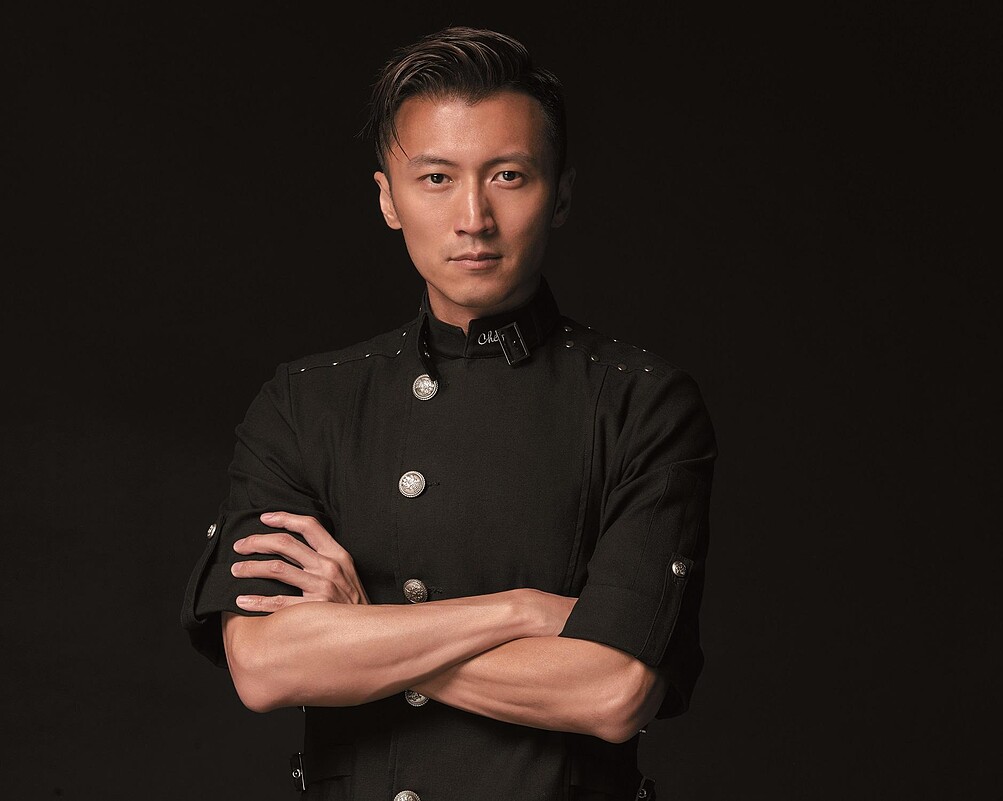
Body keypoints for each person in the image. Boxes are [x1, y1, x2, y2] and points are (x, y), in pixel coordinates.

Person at [180, 25, 717, 801]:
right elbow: (266, 666)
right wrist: (522, 611)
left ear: (561, 193)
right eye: (436, 177)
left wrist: (359, 633)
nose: (473, 216)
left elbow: (612, 690)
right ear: (387, 199)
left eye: (509, 175)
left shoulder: (643, 402)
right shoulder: (304, 402)